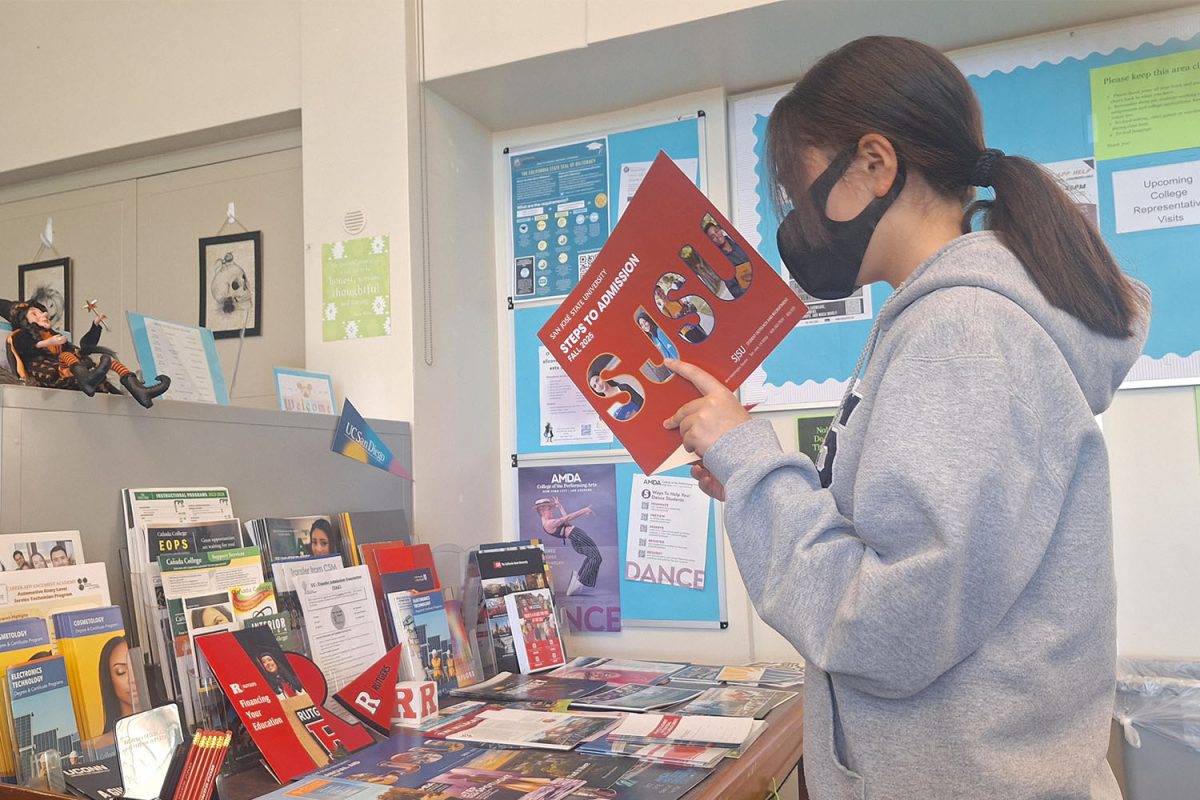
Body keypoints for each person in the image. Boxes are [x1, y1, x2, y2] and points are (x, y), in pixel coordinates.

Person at [662, 36, 1148, 799]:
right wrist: (757, 481)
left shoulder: (964, 332)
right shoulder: (948, 321)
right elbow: (914, 551)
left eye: (797, 187)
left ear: (875, 164)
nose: (794, 220)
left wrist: (754, 460)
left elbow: (891, 624)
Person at [3, 300, 170, 408]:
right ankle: (85, 378)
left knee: (107, 361)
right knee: (65, 356)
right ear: (24, 320)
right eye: (35, 313)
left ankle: (136, 387)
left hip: (69, 367)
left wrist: (95, 326)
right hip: (46, 370)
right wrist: (50, 343)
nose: (43, 314)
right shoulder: (21, 336)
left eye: (42, 312)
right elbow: (29, 347)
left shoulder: (55, 335)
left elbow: (85, 346)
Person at [534, 497, 601, 596]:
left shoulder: (550, 521)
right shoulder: (549, 524)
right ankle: (579, 582)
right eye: (549, 509)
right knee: (596, 558)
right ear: (542, 511)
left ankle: (577, 578)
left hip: (577, 536)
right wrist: (584, 510)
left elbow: (567, 523)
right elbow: (567, 518)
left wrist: (560, 507)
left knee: (593, 557)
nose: (552, 511)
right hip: (577, 536)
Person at [99, 636, 136, 742]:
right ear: (109, 678)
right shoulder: (105, 744)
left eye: (136, 667)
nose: (132, 679)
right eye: (121, 671)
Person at [586, 357, 643, 421]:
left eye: (597, 380)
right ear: (595, 391)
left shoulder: (624, 388)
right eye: (595, 386)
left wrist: (633, 415)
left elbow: (641, 401)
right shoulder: (603, 407)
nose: (598, 385)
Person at [635, 311, 677, 381]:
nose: (644, 326)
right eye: (641, 325)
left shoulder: (659, 332)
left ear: (649, 320)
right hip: (671, 368)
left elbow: (672, 350)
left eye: (645, 322)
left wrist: (676, 368)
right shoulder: (653, 338)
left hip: (676, 366)